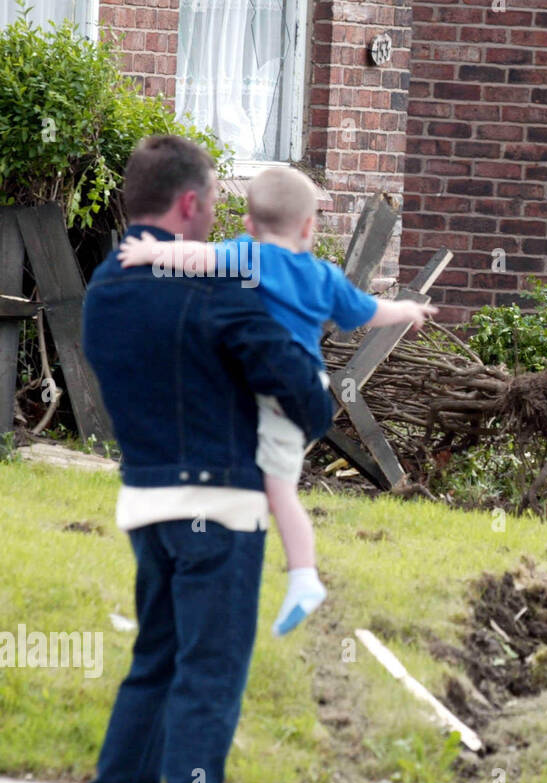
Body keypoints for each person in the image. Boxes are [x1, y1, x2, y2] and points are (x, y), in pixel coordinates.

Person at [74, 135, 337, 783]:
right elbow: (297, 389)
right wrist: (315, 383)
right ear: (190, 204)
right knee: (208, 672)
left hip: (146, 500)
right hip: (219, 504)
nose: (221, 211)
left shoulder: (104, 285)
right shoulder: (220, 286)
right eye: (216, 198)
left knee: (155, 663)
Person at [117, 166, 436, 636]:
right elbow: (370, 312)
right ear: (309, 228)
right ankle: (304, 578)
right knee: (281, 494)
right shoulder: (322, 276)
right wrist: (408, 309)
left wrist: (150, 251)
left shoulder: (246, 256)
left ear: (248, 225)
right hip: (299, 396)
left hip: (244, 396)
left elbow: (194, 257)